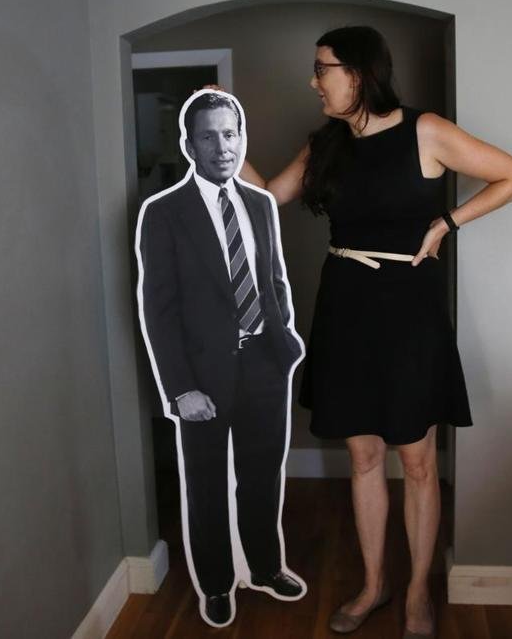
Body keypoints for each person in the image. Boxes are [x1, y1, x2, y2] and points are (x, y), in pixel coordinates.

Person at [238, 26, 512, 638]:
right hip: (345, 308)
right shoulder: (324, 144)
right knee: (363, 455)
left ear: (358, 72)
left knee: (417, 460)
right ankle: (375, 586)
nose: (313, 82)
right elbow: (266, 197)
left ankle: (418, 591)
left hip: (408, 313)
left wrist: (447, 222)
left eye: (322, 69)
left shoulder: (425, 131)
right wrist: (223, 129)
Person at [136, 91, 306, 628]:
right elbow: (159, 310)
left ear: (241, 137)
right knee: (207, 485)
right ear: (189, 145)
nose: (222, 146)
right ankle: (215, 583)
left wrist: (284, 342)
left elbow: (273, 280)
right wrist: (180, 388)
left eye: (229, 134)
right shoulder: (164, 214)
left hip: (265, 366)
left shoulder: (259, 204)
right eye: (207, 136)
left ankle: (265, 567)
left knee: (262, 477)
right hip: (202, 377)